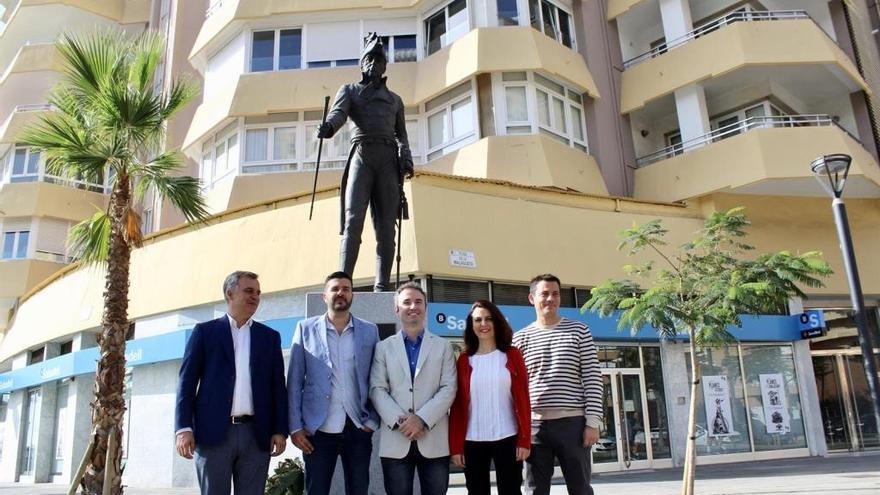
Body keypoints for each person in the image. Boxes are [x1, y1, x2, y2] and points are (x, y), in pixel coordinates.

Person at [175, 271, 288, 495]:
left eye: (257, 292)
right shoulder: (205, 333)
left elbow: (278, 388)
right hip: (213, 434)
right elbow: (186, 383)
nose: (254, 296)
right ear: (229, 293)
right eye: (248, 291)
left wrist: (279, 429)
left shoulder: (269, 337)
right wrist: (183, 428)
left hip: (256, 435)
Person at [316, 32, 413, 292]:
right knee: (353, 219)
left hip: (388, 160)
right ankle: (342, 283)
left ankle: (382, 286)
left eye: (379, 60)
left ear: (384, 66)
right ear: (362, 64)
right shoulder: (350, 90)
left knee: (386, 228)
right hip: (362, 154)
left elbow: (401, 135)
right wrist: (328, 127)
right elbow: (338, 114)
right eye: (369, 59)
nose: (374, 64)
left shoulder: (396, 100)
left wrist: (407, 158)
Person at [287, 271, 380, 495]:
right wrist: (295, 427)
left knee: (359, 490)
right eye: (335, 288)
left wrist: (373, 421)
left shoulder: (369, 330)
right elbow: (294, 381)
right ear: (325, 296)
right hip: (317, 431)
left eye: (346, 289)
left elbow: (378, 378)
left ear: (352, 295)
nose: (341, 293)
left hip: (358, 427)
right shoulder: (305, 329)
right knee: (316, 490)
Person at [512, 274, 602, 495]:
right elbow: (515, 389)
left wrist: (592, 422)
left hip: (573, 425)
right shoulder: (520, 339)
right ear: (532, 298)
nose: (550, 298)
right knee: (534, 490)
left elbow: (592, 377)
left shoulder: (579, 331)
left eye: (555, 294)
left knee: (580, 488)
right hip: (535, 427)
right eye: (544, 293)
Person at [369, 282, 457, 495]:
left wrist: (422, 419)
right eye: (406, 302)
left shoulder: (443, 346)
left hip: (434, 439)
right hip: (396, 440)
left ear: (426, 308)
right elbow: (377, 388)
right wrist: (403, 421)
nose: (413, 306)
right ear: (397, 309)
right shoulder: (383, 348)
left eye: (418, 302)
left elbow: (449, 388)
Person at [449, 300, 531, 495]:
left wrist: (524, 440)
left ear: (497, 322)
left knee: (511, 491)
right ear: (471, 325)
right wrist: (456, 446)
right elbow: (458, 405)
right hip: (472, 440)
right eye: (478, 320)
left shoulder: (512, 355)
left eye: (488, 319)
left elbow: (524, 399)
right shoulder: (463, 359)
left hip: (508, 438)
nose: (483, 324)